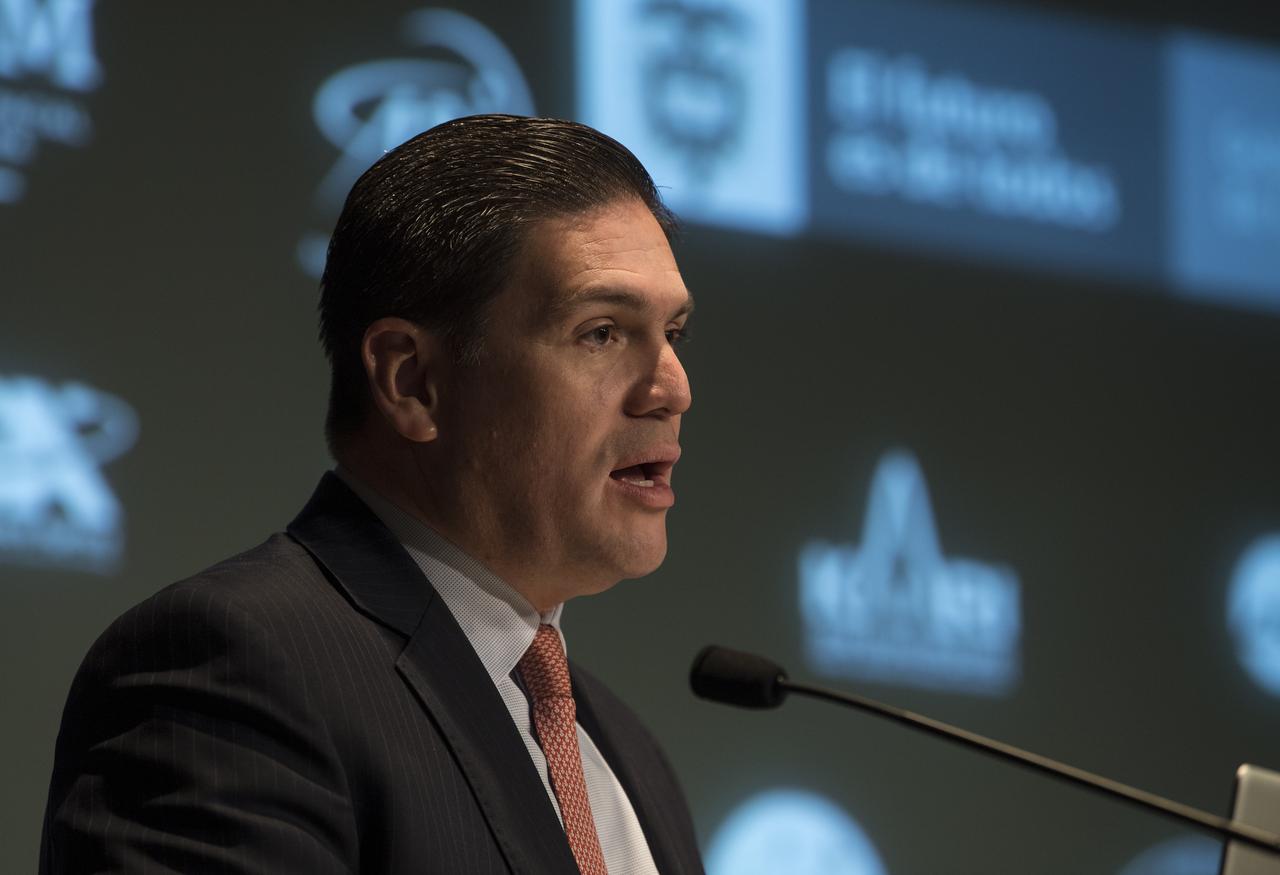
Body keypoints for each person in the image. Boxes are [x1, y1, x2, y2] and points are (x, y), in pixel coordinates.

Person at [40, 114, 703, 874]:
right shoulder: (234, 669)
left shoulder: (626, 754)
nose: (671, 390)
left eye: (673, 334)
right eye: (602, 332)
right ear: (411, 379)